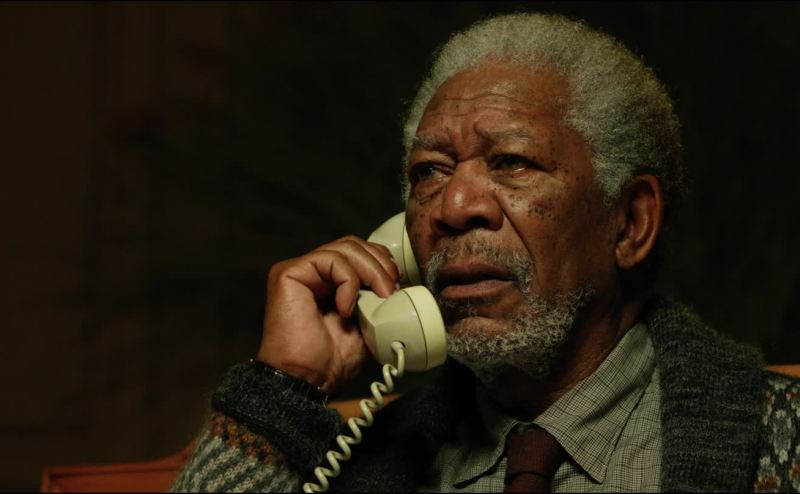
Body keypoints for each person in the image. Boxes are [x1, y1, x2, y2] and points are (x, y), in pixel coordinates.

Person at [171, 12, 800, 493]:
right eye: (430, 171)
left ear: (630, 223)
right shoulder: (353, 462)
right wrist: (283, 389)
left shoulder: (780, 439)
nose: (452, 206)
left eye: (512, 162)